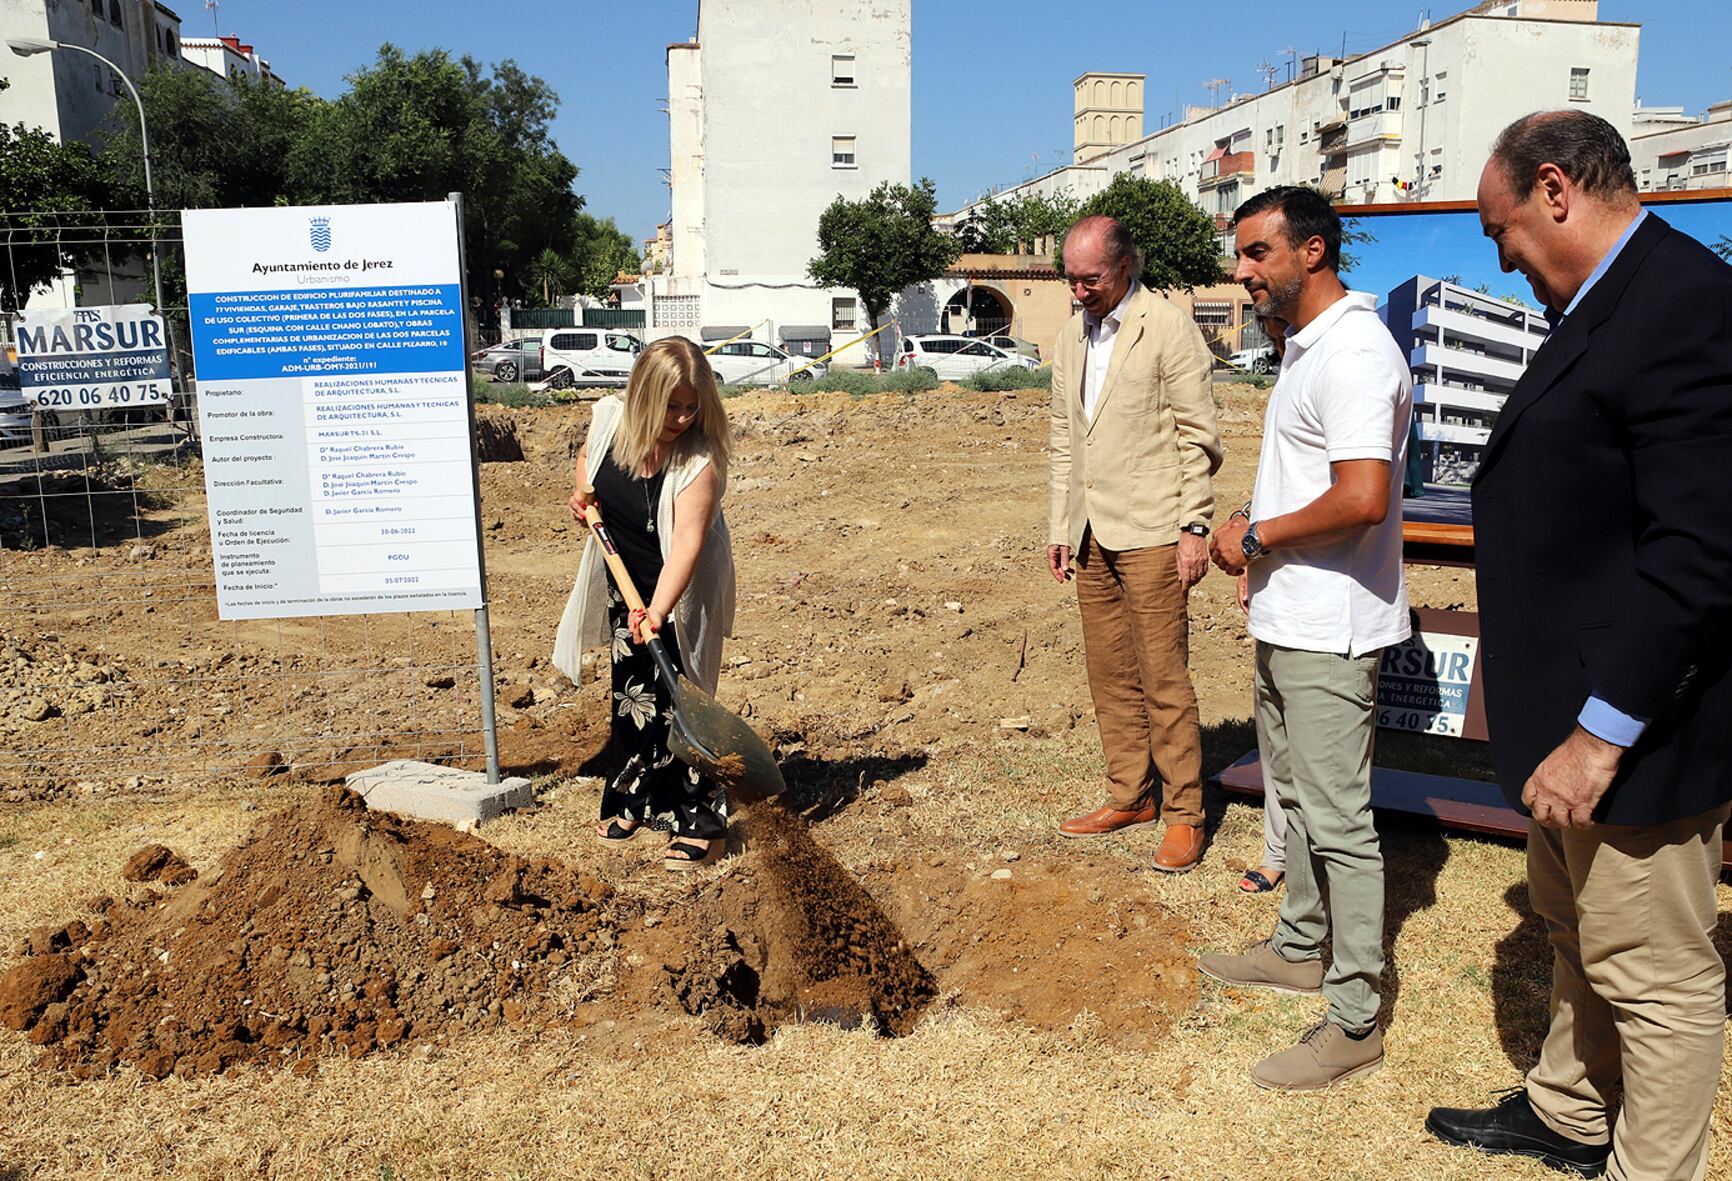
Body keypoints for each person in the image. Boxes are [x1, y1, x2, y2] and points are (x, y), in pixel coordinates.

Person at [1425, 111, 1732, 1181]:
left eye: (1498, 228)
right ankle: (1565, 1108)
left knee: (1656, 975)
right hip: (1569, 710)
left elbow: (1700, 554)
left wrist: (1600, 736)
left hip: (1635, 729)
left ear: (1554, 188)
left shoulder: (1686, 303)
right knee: (1576, 934)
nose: (1500, 257)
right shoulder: (1603, 305)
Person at [1199, 185, 1412, 1090]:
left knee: (1339, 821)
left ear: (1312, 252)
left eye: (1256, 254)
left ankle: (1356, 1015)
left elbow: (1362, 498)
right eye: (1241, 256)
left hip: (1331, 627)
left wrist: (1256, 536)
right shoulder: (1305, 347)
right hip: (1291, 618)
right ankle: (1297, 946)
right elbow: (1307, 476)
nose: (1241, 272)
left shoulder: (1357, 352)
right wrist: (1258, 517)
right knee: (1294, 799)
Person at [1045, 214, 1223, 872]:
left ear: (1125, 266)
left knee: (1163, 679)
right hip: (1091, 532)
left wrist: (1195, 526)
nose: (1079, 290)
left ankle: (1184, 813)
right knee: (1111, 676)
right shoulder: (1070, 336)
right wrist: (1061, 525)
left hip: (1153, 530)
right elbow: (1067, 438)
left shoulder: (1167, 326)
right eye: (1070, 278)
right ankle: (1131, 794)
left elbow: (1195, 435)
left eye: (1090, 278)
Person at [552, 336, 737, 871]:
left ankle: (700, 818)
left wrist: (657, 611)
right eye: (671, 406)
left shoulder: (698, 460)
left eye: (691, 406)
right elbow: (588, 464)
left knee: (682, 696)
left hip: (679, 593)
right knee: (634, 690)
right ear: (642, 398)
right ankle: (635, 795)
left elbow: (687, 546)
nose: (681, 418)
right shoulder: (610, 420)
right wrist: (580, 495)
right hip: (624, 576)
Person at [1234, 312, 1288, 897]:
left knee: (1317, 748)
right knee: (1273, 729)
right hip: (1279, 580)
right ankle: (1277, 849)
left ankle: (1301, 857)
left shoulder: (1349, 358)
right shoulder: (1290, 371)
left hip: (1328, 598)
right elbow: (1274, 481)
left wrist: (1250, 542)